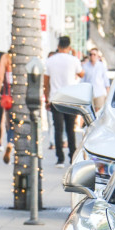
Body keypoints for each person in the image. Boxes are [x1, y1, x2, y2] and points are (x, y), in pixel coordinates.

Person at [44, 35, 84, 167]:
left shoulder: (50, 60)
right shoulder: (73, 60)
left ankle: (59, 158)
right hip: (70, 98)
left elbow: (46, 82)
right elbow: (82, 74)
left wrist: (46, 99)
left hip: (56, 98)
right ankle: (72, 155)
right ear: (69, 46)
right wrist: (73, 54)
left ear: (58, 46)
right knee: (70, 129)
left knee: (58, 129)